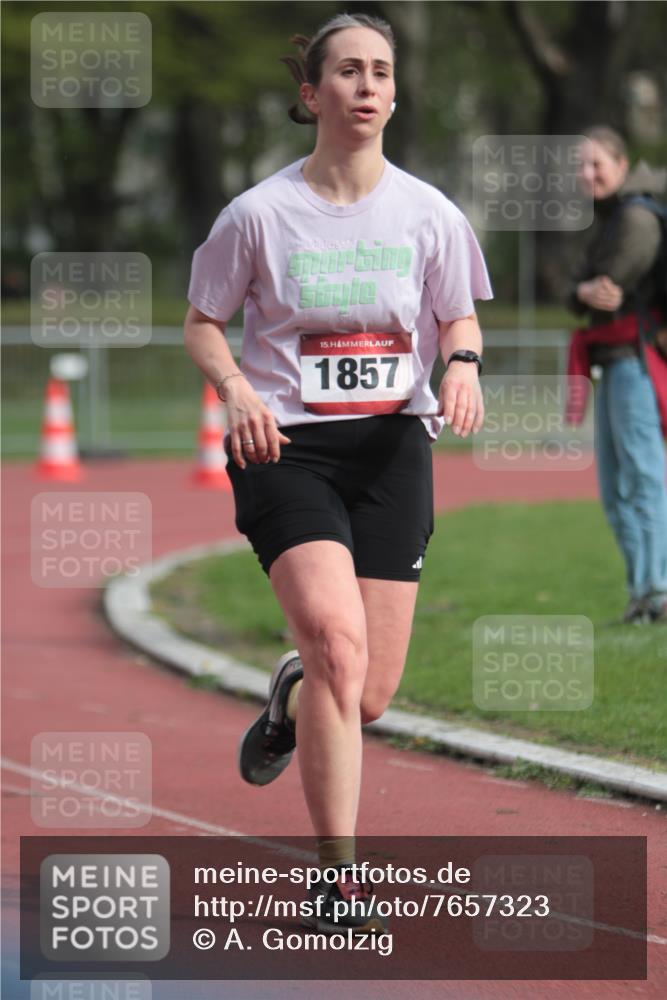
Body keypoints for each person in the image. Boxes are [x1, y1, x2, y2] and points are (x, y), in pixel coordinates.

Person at [184, 13, 492, 934]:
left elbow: (456, 318)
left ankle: (291, 694)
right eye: (347, 71)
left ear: (395, 96)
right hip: (285, 447)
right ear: (311, 94)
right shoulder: (257, 215)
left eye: (381, 72)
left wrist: (464, 365)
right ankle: (338, 877)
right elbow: (202, 322)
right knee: (335, 641)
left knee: (366, 693)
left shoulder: (428, 213)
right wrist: (235, 388)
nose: (365, 86)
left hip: (392, 446)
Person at [567, 126, 667, 625]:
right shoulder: (605, 220)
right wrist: (583, 291)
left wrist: (587, 289)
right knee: (614, 489)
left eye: (597, 164)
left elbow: (607, 286)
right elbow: (578, 291)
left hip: (634, 360)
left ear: (622, 165)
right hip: (609, 363)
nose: (588, 174)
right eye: (581, 166)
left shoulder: (636, 217)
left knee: (645, 480)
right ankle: (641, 594)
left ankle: (658, 591)